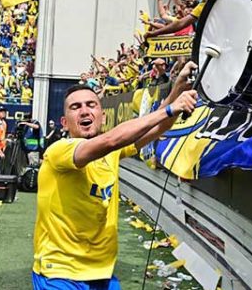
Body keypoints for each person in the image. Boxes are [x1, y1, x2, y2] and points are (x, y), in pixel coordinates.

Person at [31, 63, 199, 289]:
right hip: (60, 274)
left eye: (91, 105)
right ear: (64, 122)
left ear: (101, 115)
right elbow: (112, 140)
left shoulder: (111, 153)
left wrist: (176, 89)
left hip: (102, 273)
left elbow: (156, 127)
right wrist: (169, 109)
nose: (84, 111)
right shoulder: (59, 151)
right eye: (75, 107)